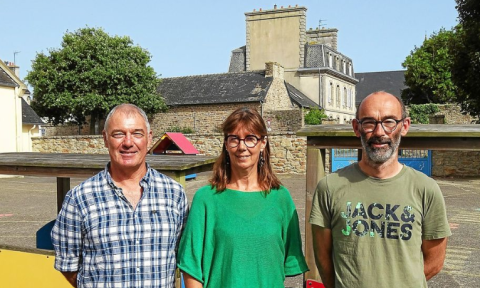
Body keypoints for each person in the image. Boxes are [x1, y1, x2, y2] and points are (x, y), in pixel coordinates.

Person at [309, 91, 451, 288]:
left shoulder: (426, 189)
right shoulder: (329, 188)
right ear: (356, 128)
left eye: (389, 121)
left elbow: (435, 261)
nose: (379, 132)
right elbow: (323, 258)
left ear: (405, 126)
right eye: (369, 122)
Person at [51, 104, 188, 288]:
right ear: (105, 139)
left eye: (137, 133)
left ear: (149, 138)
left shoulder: (174, 194)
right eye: (118, 134)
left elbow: (185, 258)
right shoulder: (79, 198)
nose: (128, 142)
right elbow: (68, 266)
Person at [177, 107, 308, 288]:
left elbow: (286, 264)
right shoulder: (206, 199)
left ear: (263, 143)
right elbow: (191, 268)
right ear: (225, 144)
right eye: (234, 139)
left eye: (250, 138)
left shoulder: (281, 198)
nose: (242, 147)